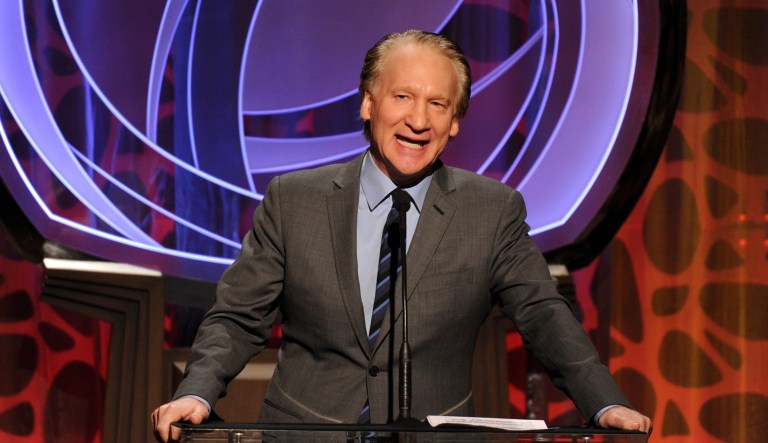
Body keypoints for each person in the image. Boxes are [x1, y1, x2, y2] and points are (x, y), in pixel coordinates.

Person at [152, 29, 652, 441]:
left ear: (455, 121)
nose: (418, 120)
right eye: (403, 97)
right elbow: (238, 317)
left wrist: (603, 401)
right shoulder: (294, 200)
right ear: (369, 104)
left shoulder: (490, 210)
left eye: (438, 104)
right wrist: (196, 392)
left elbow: (544, 314)